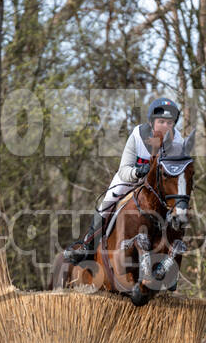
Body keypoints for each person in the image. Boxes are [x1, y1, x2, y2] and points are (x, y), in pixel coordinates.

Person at [64, 97, 183, 263]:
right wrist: (137, 172)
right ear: (152, 121)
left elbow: (180, 174)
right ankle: (87, 246)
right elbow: (124, 169)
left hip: (160, 190)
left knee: (179, 213)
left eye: (169, 123)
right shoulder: (137, 135)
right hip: (130, 181)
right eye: (161, 121)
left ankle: (172, 257)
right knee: (106, 203)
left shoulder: (178, 142)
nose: (165, 126)